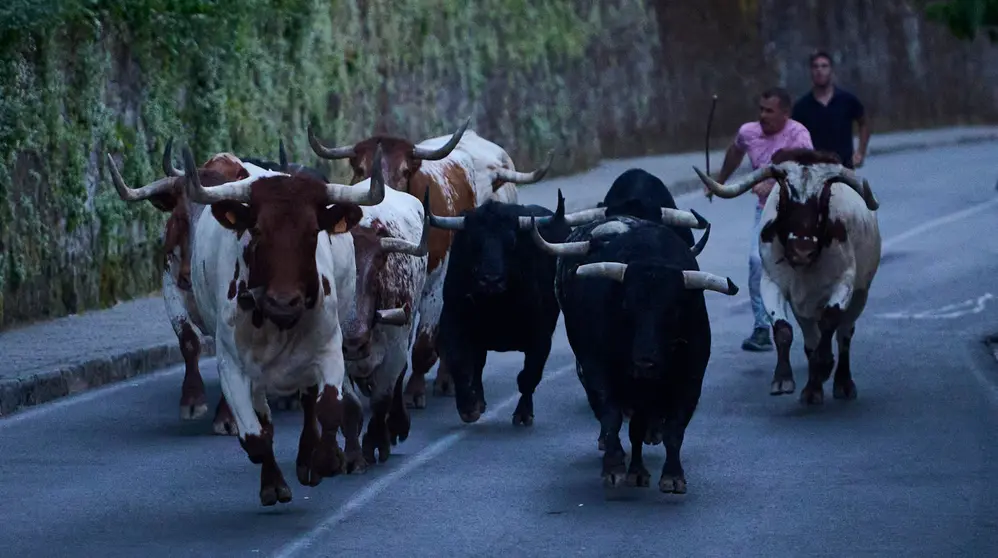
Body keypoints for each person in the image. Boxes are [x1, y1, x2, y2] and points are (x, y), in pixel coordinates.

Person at [704, 87, 813, 352]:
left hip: (798, 209)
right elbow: (735, 150)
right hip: (767, 211)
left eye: (769, 111)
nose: (762, 115)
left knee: (803, 265)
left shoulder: (798, 134)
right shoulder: (748, 132)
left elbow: (807, 168)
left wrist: (776, 183)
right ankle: (763, 328)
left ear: (785, 114)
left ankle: (815, 322)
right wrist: (719, 181)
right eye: (761, 109)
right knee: (756, 260)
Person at [792, 51, 870, 169]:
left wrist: (860, 152)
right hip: (814, 171)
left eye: (824, 66)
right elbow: (792, 137)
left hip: (844, 169)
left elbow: (864, 123)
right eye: (815, 66)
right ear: (811, 71)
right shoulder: (802, 106)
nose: (819, 70)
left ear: (831, 70)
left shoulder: (847, 100)